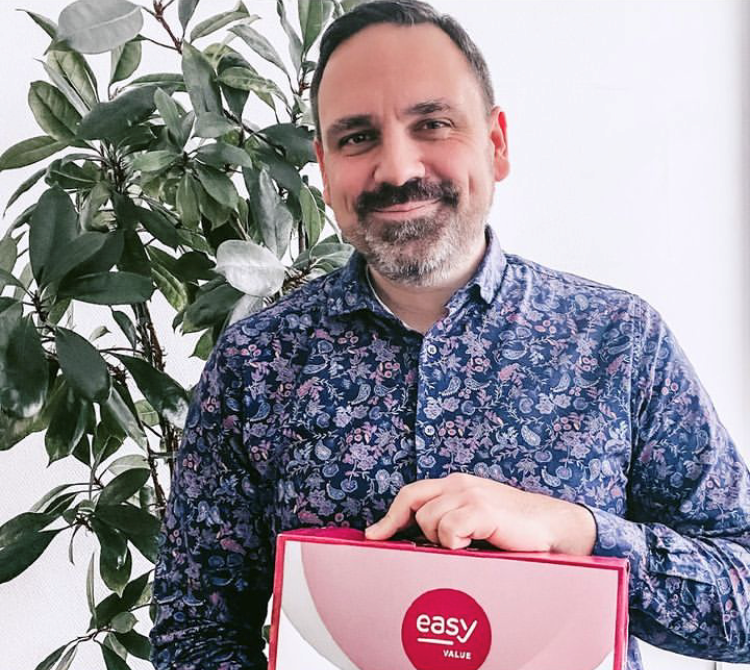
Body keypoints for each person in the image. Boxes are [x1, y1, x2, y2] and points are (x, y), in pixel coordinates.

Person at [149, 2, 750, 669]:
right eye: (357, 137)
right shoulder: (256, 362)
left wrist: (574, 532)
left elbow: (743, 598)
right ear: (323, 167)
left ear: (496, 143)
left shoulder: (620, 341)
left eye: (432, 124)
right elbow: (193, 630)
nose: (397, 169)